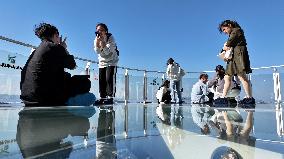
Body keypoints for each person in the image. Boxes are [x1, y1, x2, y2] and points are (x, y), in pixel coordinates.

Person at [20, 23, 76, 106]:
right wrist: (63, 48)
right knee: (87, 89)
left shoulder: (37, 51)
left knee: (66, 75)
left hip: (27, 99)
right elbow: (72, 65)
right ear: (56, 35)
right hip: (45, 100)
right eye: (58, 36)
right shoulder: (55, 47)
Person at [217, 20, 255, 105]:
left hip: (238, 56)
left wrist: (225, 47)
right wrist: (225, 48)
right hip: (234, 57)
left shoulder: (237, 30)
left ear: (229, 25)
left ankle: (249, 97)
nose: (224, 32)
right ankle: (223, 97)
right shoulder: (234, 32)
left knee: (242, 76)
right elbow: (227, 45)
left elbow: (229, 43)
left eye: (224, 29)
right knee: (227, 77)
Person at [94, 23, 119, 105]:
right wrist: (98, 43)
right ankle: (102, 98)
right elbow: (97, 51)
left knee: (109, 78)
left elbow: (108, 52)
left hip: (112, 61)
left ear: (105, 31)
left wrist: (103, 44)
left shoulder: (111, 38)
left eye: (101, 30)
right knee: (101, 80)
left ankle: (110, 98)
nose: (99, 32)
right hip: (102, 62)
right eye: (97, 31)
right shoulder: (96, 39)